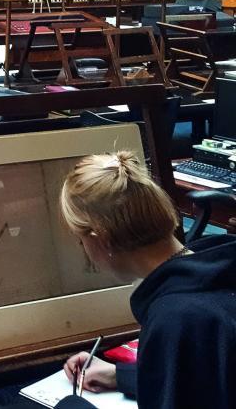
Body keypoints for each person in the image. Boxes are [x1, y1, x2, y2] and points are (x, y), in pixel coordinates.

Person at [56, 151, 236, 408]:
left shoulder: (175, 319)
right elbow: (203, 377)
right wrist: (121, 376)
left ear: (100, 238)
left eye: (80, 240)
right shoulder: (218, 270)